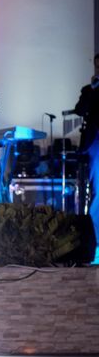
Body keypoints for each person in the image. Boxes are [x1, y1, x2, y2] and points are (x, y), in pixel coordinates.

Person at [74, 53, 99, 239]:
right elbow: (80, 110)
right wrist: (92, 89)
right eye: (97, 66)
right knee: (95, 188)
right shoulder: (88, 90)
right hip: (94, 142)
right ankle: (95, 236)